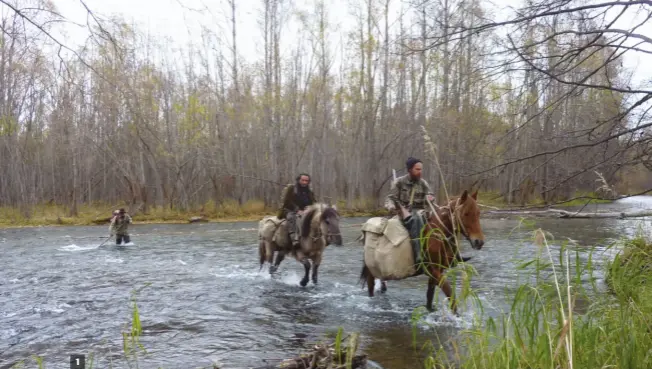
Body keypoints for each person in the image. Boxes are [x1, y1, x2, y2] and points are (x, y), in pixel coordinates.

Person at [385, 157, 468, 274]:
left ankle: (454, 254)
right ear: (409, 169)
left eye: (421, 169)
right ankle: (419, 255)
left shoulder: (423, 183)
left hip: (421, 211)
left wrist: (430, 197)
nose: (420, 171)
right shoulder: (399, 182)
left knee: (445, 221)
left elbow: (430, 194)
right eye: (417, 169)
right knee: (417, 219)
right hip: (403, 213)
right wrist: (391, 207)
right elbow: (390, 198)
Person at [277, 173, 317, 249]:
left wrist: (310, 208)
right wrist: (297, 210)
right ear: (298, 180)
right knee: (292, 217)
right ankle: (294, 239)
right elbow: (287, 202)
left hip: (306, 211)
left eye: (307, 181)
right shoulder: (291, 188)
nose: (305, 182)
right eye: (303, 180)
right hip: (290, 210)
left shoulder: (309, 191)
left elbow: (314, 202)